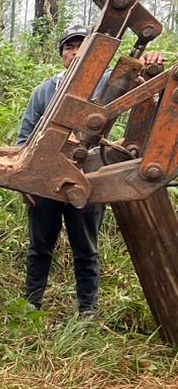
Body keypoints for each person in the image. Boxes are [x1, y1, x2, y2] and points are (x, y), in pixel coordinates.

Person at [18, 27, 164, 315]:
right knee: (40, 247)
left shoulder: (110, 83)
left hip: (88, 179)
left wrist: (149, 66)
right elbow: (25, 138)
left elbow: (144, 90)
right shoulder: (45, 91)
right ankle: (30, 307)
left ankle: (88, 311)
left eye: (81, 46)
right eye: (68, 47)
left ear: (94, 54)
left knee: (85, 248)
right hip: (46, 180)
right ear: (62, 55)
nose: (74, 52)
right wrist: (26, 181)